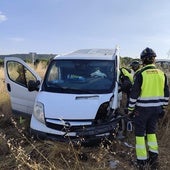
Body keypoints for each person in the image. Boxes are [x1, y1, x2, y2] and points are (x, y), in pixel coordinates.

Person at [128, 47, 169, 169]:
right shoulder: (162, 74)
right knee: (152, 133)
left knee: (140, 135)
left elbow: (134, 95)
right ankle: (154, 160)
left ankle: (142, 162)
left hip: (141, 110)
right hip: (156, 110)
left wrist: (130, 110)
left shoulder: (140, 74)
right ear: (154, 60)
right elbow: (167, 94)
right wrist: (163, 108)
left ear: (143, 61)